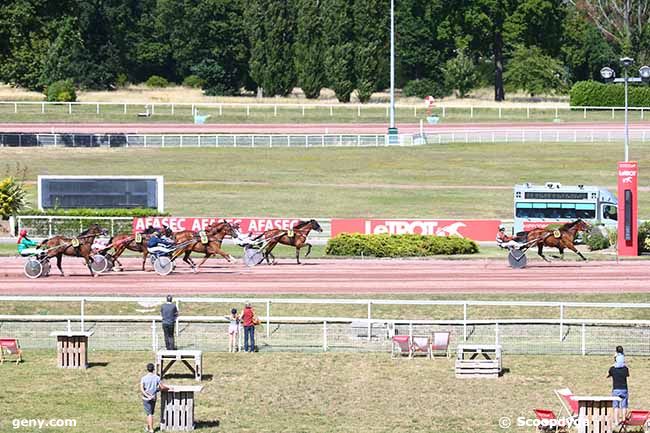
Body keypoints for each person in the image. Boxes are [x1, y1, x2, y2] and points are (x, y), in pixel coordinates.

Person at [140, 362, 168, 433]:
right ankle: (148, 427)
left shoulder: (144, 378)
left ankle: (151, 429)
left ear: (147, 369)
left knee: (149, 414)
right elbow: (161, 387)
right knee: (150, 413)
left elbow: (142, 389)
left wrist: (147, 395)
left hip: (146, 398)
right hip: (154, 398)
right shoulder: (157, 378)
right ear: (153, 369)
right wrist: (167, 388)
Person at [607, 355, 629, 424]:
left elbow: (609, 374)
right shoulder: (625, 369)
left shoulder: (612, 369)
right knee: (624, 406)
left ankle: (616, 421)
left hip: (616, 389)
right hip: (624, 389)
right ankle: (623, 420)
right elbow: (627, 375)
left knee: (616, 406)